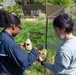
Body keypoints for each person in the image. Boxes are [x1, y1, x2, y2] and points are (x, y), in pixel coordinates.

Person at [0, 9, 43, 75]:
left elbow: (5, 51)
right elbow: (25, 62)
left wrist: (19, 45)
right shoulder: (9, 42)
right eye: (19, 27)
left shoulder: (2, 36)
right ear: (14, 26)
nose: (20, 30)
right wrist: (36, 49)